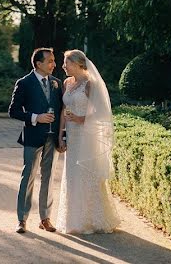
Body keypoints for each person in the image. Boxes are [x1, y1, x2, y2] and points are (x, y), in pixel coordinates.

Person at [55, 49, 120, 234]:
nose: (63, 66)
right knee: (72, 176)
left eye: (66, 63)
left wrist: (80, 119)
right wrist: (61, 135)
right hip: (72, 137)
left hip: (86, 135)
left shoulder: (91, 85)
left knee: (86, 175)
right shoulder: (67, 83)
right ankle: (74, 219)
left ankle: (92, 219)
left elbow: (100, 113)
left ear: (77, 64)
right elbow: (63, 111)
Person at [8, 47, 66, 234]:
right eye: (50, 61)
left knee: (48, 178)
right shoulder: (24, 83)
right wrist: (35, 117)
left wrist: (62, 137)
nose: (54, 64)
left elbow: (62, 112)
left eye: (54, 60)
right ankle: (22, 219)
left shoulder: (57, 83)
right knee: (28, 177)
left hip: (52, 138)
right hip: (33, 137)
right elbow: (13, 111)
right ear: (38, 63)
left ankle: (45, 218)